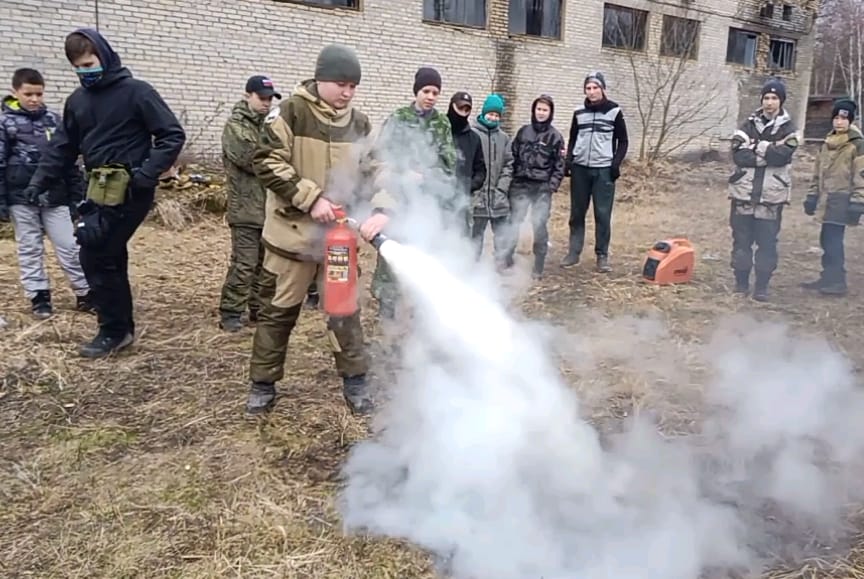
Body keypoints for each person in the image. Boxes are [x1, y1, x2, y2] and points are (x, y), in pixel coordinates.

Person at [246, 44, 392, 416]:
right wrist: (311, 199)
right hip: (291, 238)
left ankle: (355, 382)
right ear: (321, 79)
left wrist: (382, 207)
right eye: (341, 84)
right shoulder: (289, 113)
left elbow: (381, 168)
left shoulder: (359, 123)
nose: (348, 93)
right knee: (277, 313)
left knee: (345, 313)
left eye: (353, 86)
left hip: (339, 242)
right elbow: (266, 160)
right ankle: (262, 384)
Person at [25, 29, 186, 356]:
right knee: (106, 254)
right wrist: (38, 182)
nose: (85, 71)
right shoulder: (78, 101)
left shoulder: (137, 93)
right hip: (97, 187)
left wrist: (145, 174)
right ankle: (119, 326)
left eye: (89, 63)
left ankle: (113, 330)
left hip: (132, 188)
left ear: (104, 56)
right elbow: (62, 147)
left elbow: (171, 135)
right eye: (78, 66)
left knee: (97, 251)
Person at [0, 67, 94, 319]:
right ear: (15, 92)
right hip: (20, 198)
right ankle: (39, 296)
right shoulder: (4, 123)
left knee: (69, 246)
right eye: (28, 94)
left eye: (39, 94)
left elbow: (69, 159)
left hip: (55, 196)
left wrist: (77, 196)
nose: (34, 99)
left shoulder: (54, 120)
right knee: (30, 247)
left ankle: (86, 293)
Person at [369, 66, 457, 319]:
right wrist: (402, 175)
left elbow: (449, 165)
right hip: (396, 202)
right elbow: (379, 158)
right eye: (426, 90)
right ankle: (387, 315)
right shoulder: (398, 118)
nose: (431, 96)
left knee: (425, 256)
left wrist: (425, 176)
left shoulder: (441, 124)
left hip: (427, 205)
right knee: (390, 260)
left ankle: (423, 315)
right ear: (417, 91)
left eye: (435, 92)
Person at [218, 75, 281, 332]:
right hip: (245, 209)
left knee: (264, 266)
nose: (266, 103)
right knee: (244, 264)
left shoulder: (267, 125)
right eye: (261, 98)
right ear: (248, 96)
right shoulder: (236, 126)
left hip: (266, 209)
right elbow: (253, 159)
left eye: (269, 99)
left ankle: (258, 310)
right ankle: (231, 312)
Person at [726, 78, 798, 301]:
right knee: (741, 241)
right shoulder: (747, 125)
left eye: (774, 98)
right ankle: (741, 283)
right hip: (744, 193)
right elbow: (738, 153)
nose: (769, 102)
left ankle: (762, 287)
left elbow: (783, 154)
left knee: (767, 245)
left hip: (771, 196)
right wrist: (767, 152)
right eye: (766, 97)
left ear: (781, 101)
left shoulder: (789, 128)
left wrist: (757, 147)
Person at [562, 71, 628, 273]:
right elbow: (573, 138)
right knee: (577, 213)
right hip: (581, 169)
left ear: (603, 89)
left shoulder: (614, 111)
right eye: (588, 88)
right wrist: (569, 160)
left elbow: (623, 141)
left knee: (602, 214)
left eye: (595, 88)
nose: (591, 92)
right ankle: (574, 253)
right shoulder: (579, 112)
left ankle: (602, 255)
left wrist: (615, 164)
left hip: (603, 170)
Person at [801, 98, 863, 297]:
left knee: (834, 241)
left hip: (842, 199)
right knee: (826, 239)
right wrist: (812, 195)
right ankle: (828, 277)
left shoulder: (857, 145)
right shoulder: (827, 143)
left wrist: (858, 200)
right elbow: (817, 173)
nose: (839, 122)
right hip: (826, 198)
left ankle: (837, 282)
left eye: (844, 118)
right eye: (836, 117)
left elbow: (861, 175)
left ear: (850, 121)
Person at [506, 94, 565, 279]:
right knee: (514, 221)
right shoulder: (523, 132)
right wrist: (512, 179)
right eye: (538, 109)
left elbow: (560, 165)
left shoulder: (555, 137)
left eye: (545, 110)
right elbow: (513, 156)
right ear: (534, 110)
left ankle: (538, 266)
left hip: (542, 188)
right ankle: (507, 259)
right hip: (521, 184)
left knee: (539, 225)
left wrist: (551, 186)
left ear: (550, 113)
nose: (541, 113)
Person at [471, 93, 513, 269]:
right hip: (478, 197)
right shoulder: (473, 134)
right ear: (484, 112)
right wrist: (474, 187)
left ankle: (501, 264)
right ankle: (471, 264)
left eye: (497, 115)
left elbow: (509, 164)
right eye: (491, 113)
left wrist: (502, 188)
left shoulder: (504, 138)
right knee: (475, 235)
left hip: (498, 196)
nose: (493, 117)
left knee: (501, 233)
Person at [447, 91, 486, 237]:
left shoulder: (474, 139)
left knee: (460, 239)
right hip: (436, 200)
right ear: (452, 106)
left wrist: (468, 186)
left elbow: (481, 171)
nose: (463, 113)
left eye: (467, 110)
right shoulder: (439, 132)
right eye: (460, 108)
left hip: (462, 202)